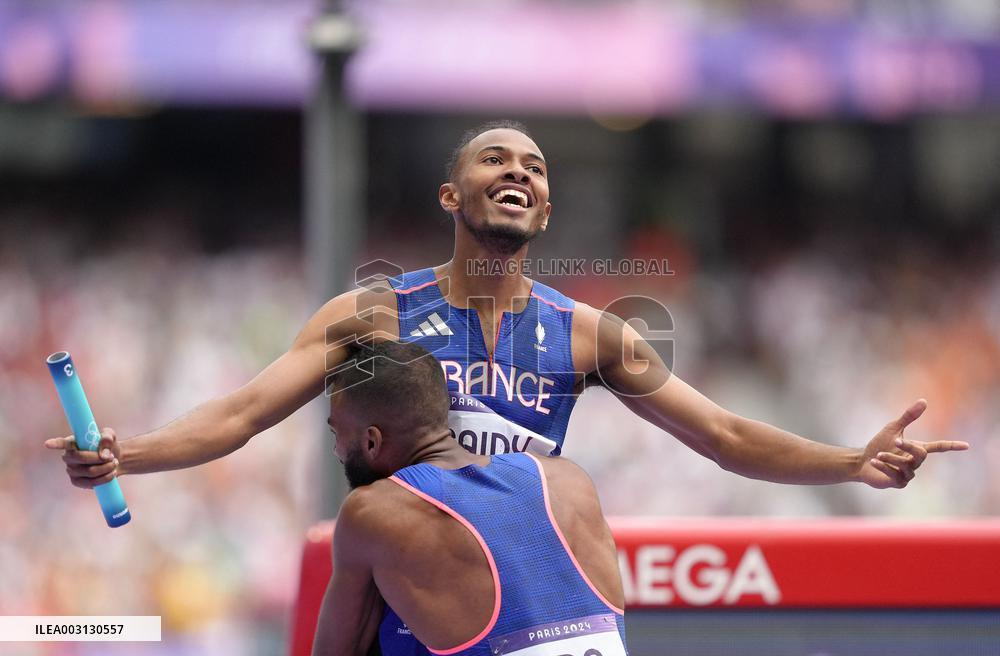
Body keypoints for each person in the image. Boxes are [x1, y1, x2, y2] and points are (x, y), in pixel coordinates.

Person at [46, 120, 969, 651]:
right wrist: (132, 451)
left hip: (514, 623)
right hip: (394, 616)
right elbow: (241, 414)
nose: (517, 172)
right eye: (495, 160)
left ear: (548, 208)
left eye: (534, 166)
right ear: (453, 197)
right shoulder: (368, 313)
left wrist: (854, 461)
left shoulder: (588, 335)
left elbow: (724, 436)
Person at [312, 340, 627, 656]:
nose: (337, 451)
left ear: (371, 441)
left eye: (337, 435)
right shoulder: (568, 479)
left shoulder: (374, 512)